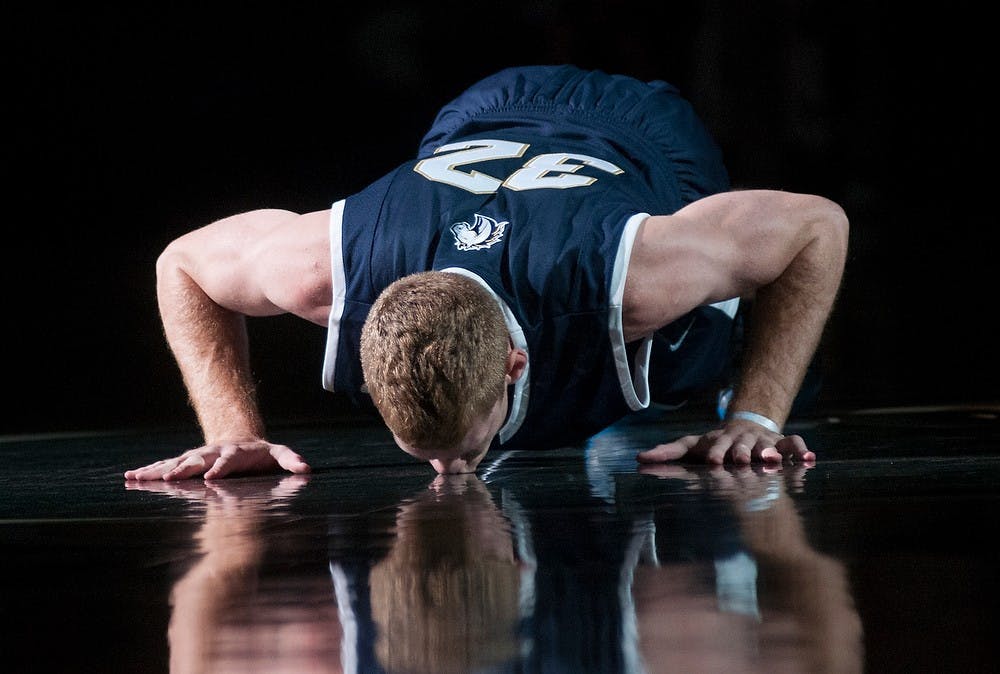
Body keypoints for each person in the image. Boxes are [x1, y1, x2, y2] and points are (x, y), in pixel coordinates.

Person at [124, 64, 848, 481]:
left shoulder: (629, 279)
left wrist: (758, 416)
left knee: (704, 341)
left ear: (514, 362)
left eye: (464, 449)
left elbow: (818, 226)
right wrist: (232, 430)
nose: (447, 475)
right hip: (487, 111)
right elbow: (182, 263)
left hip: (637, 134)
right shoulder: (326, 268)